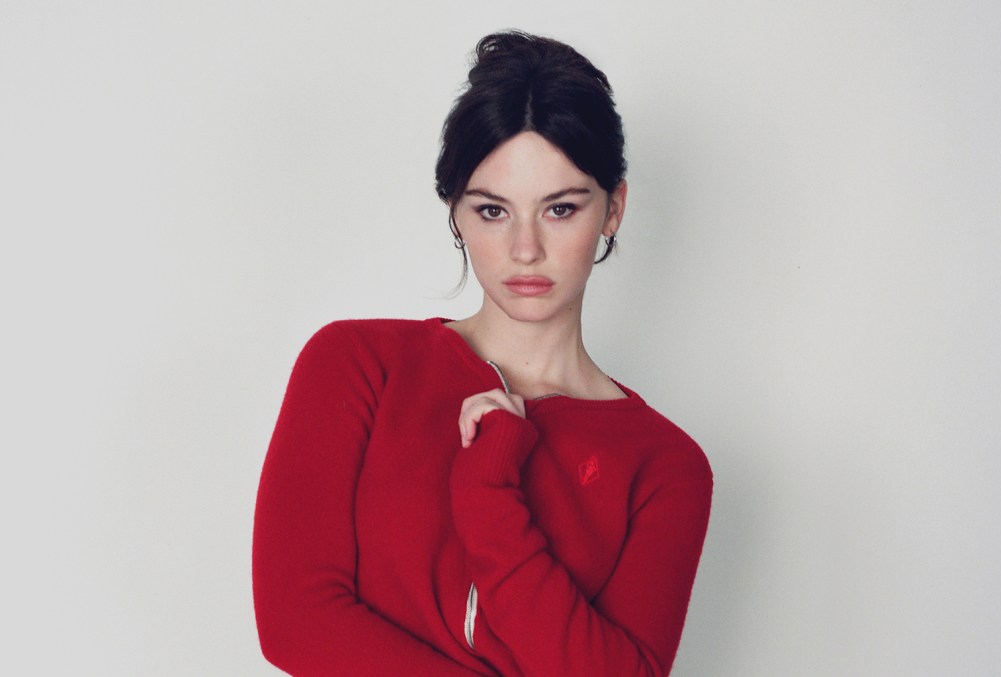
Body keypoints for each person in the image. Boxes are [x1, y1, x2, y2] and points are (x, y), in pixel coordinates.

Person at [252, 30, 713, 676]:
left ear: (613, 209)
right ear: (457, 213)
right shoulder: (357, 365)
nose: (526, 249)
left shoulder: (665, 467)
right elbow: (296, 623)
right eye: (494, 210)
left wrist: (489, 493)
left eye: (560, 208)